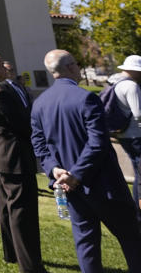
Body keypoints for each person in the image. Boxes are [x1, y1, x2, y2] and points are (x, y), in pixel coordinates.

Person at [30, 50, 141, 273]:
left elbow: (39, 144)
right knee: (132, 238)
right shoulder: (86, 98)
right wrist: (76, 175)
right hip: (103, 185)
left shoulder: (40, 103)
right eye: (77, 64)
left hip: (70, 187)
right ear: (71, 67)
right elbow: (98, 143)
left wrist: (55, 171)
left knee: (86, 243)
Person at [0, 52, 46, 273]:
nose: (7, 69)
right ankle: (31, 265)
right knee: (23, 213)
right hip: (14, 158)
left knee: (6, 207)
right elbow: (22, 125)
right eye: (1, 66)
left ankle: (11, 253)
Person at [107, 54, 141, 219]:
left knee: (137, 173)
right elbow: (139, 115)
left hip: (123, 134)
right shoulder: (131, 86)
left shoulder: (115, 83)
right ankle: (138, 210)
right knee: (139, 176)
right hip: (136, 136)